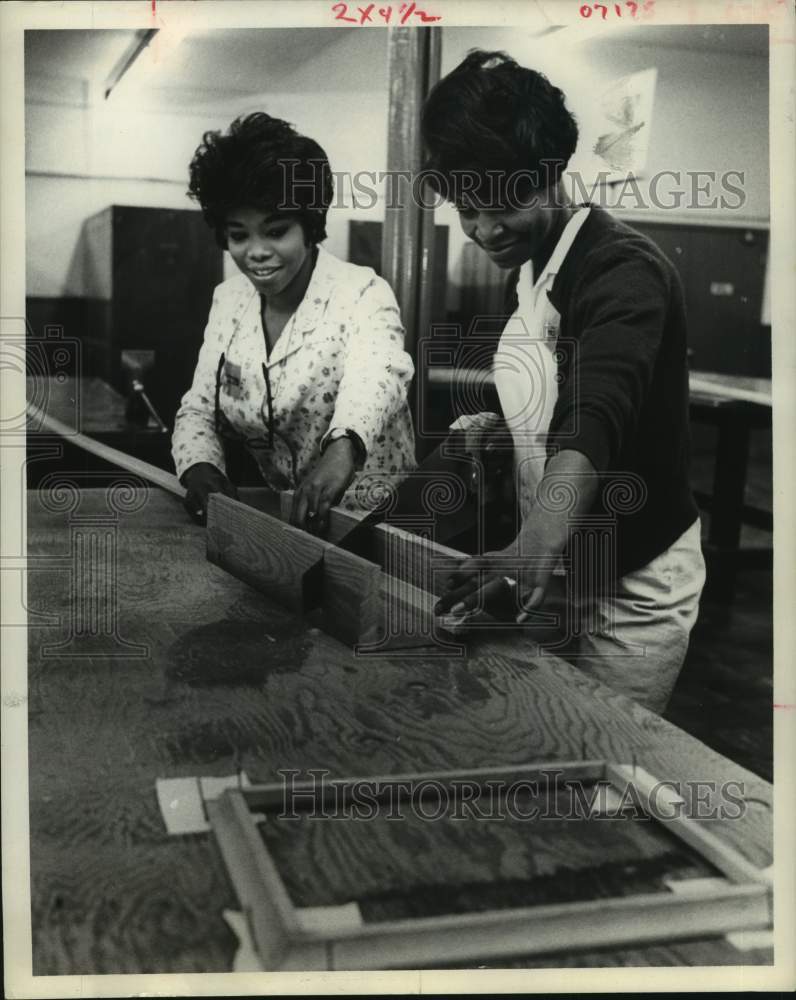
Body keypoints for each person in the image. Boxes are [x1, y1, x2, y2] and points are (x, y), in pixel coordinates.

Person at [423, 51, 706, 713]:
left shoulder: (623, 268)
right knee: (539, 743)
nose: (484, 229)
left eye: (504, 204)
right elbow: (558, 392)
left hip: (629, 583)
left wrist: (533, 543)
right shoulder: (531, 263)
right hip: (551, 563)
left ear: (552, 176)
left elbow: (596, 410)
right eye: (467, 208)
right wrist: (509, 431)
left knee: (604, 773)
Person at [172, 113, 416, 532]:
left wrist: (344, 448)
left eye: (276, 230)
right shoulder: (228, 301)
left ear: (310, 225)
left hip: (380, 520)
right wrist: (198, 465)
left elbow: (378, 375)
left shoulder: (361, 292)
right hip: (290, 521)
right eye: (238, 235)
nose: (256, 252)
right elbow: (199, 407)